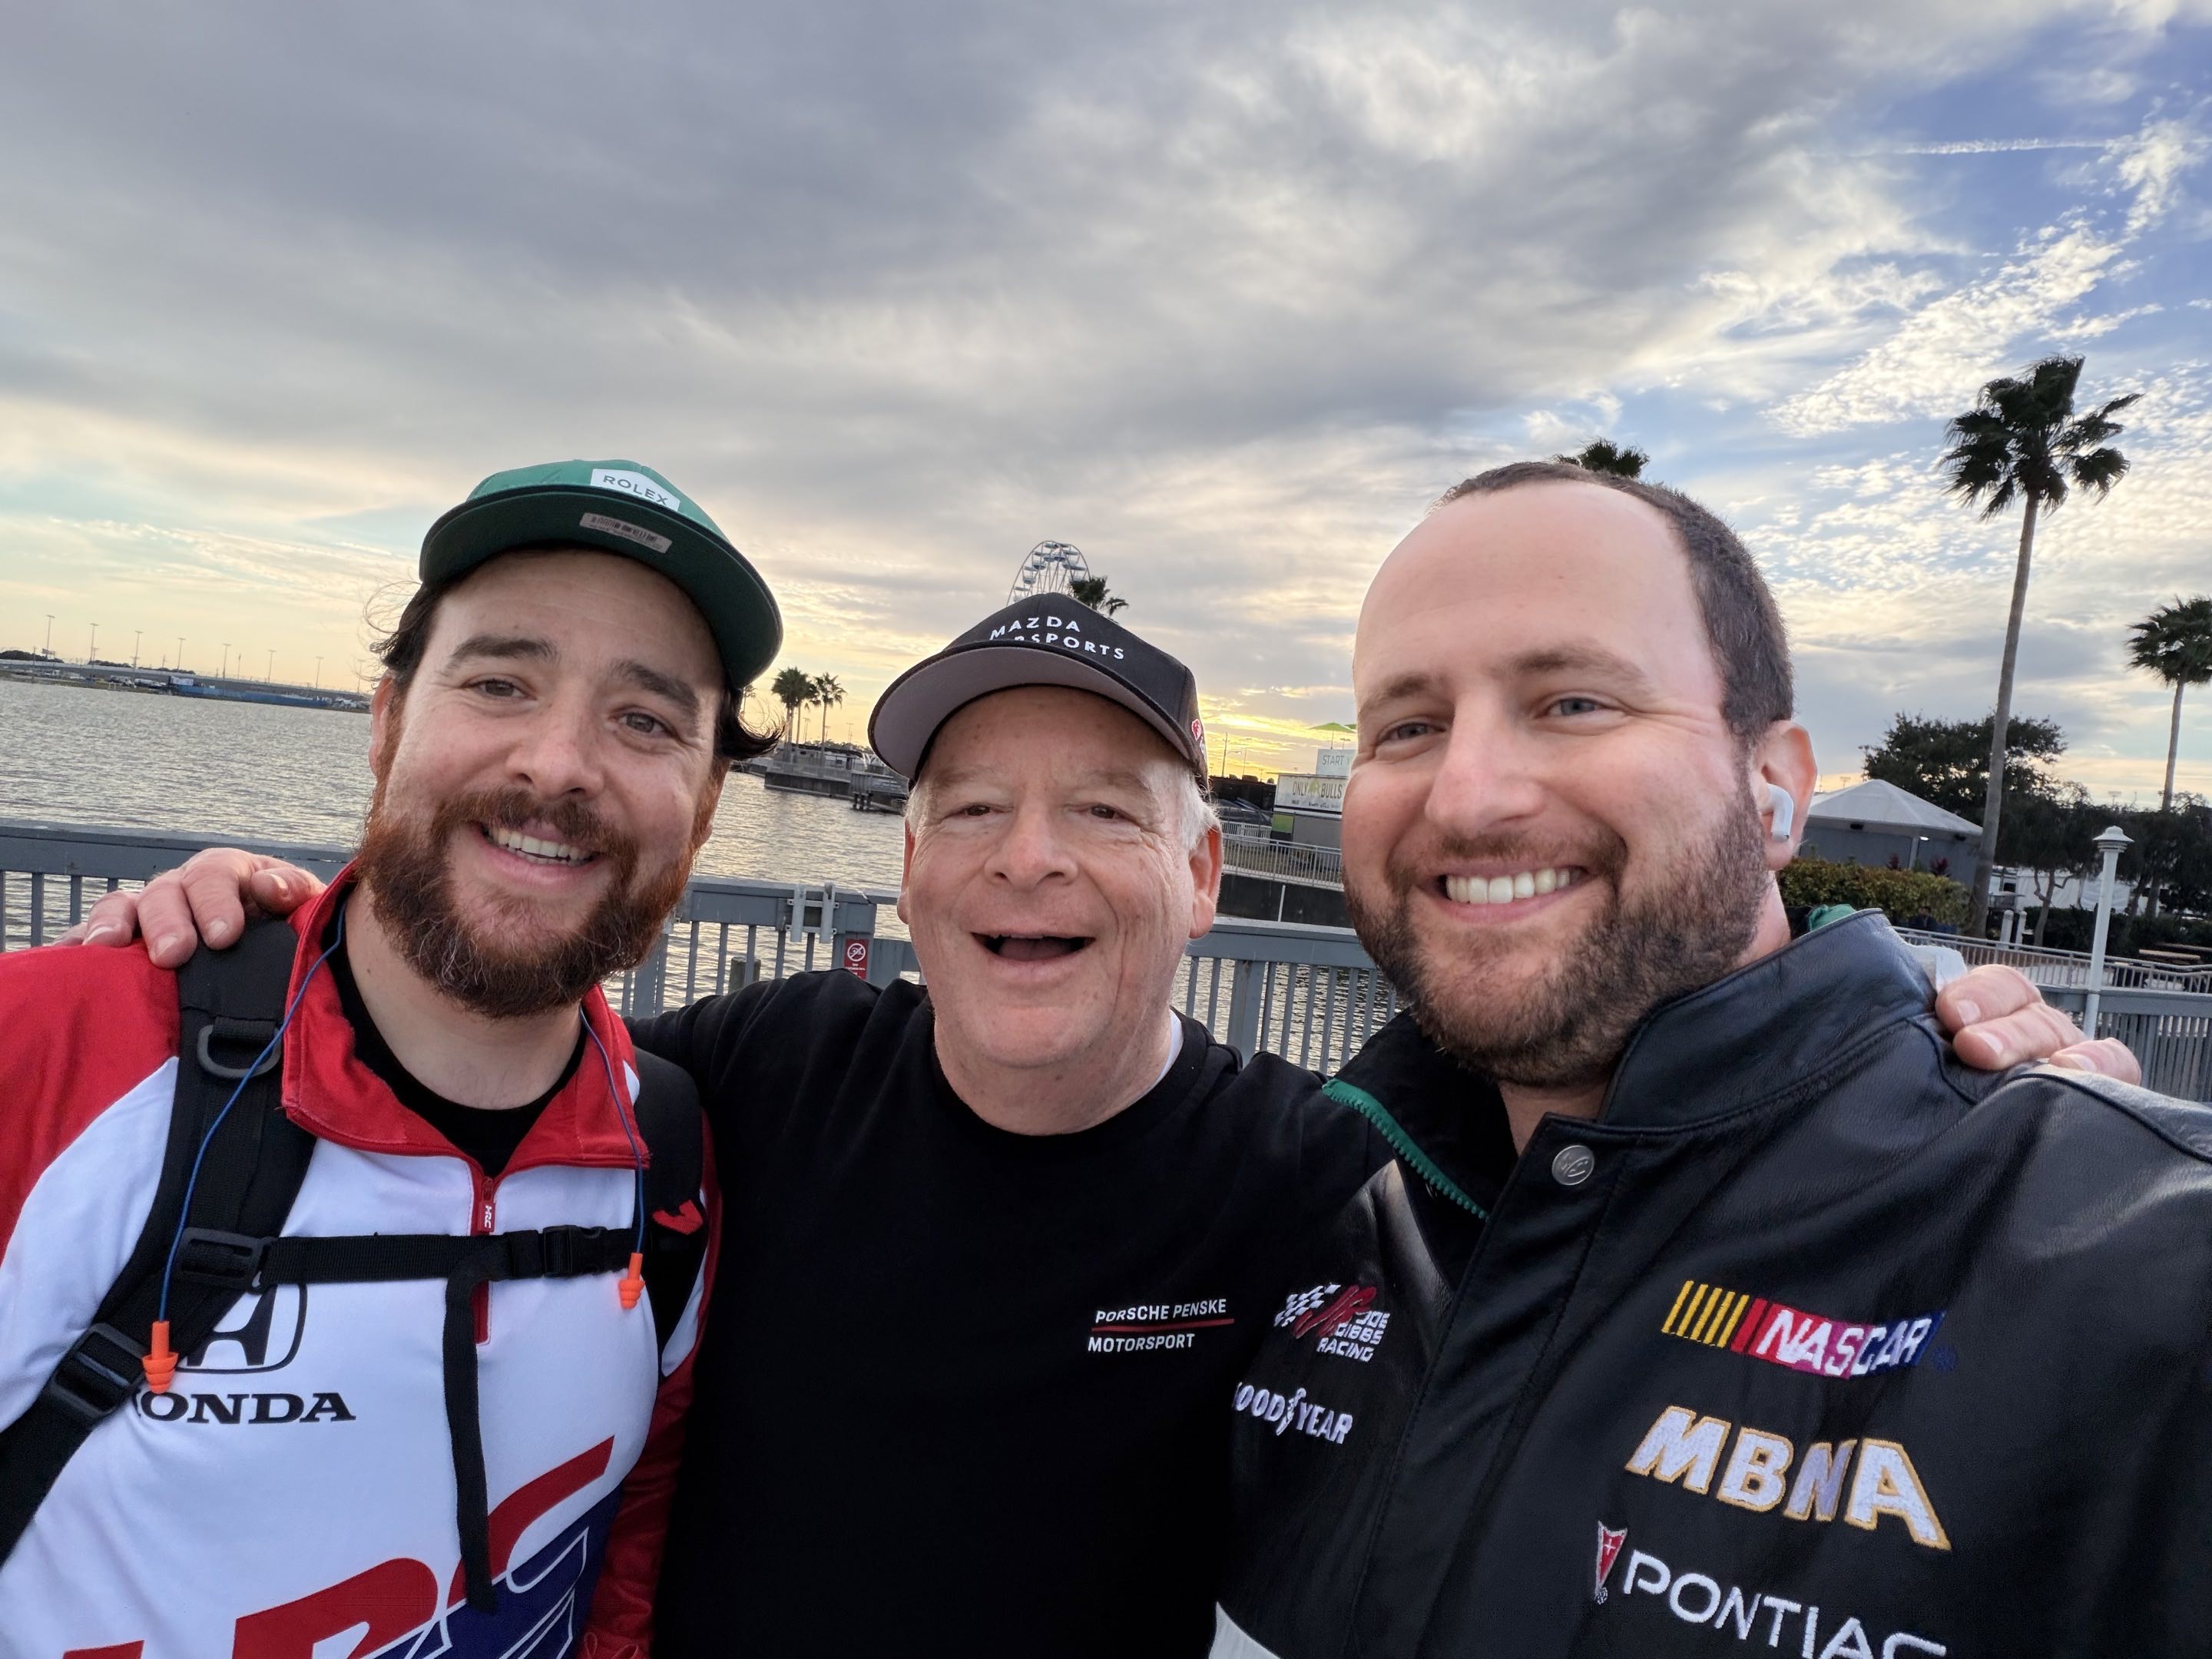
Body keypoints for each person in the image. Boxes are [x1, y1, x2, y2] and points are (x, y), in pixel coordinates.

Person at [71, 592, 2113, 1655]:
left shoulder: (1324, 1178)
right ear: (910, 876)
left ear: (1207, 876)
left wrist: (1923, 1048)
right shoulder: (753, 1079)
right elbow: (462, 1032)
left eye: (1101, 816)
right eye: (969, 808)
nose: (1022, 859)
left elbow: (1650, 1210)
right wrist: (265, 937)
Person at [1207, 462, 2212, 1659]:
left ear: (1778, 789)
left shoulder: (2129, 1269)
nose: (1467, 797)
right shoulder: (1301, 1203)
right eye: (1409, 727)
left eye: (1574, 701)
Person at [0, 459, 781, 1659]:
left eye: (645, 720)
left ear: (707, 798)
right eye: (502, 681)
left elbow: (621, 1559)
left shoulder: (669, 1157)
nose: (560, 764)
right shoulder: (53, 1052)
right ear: (386, 721)